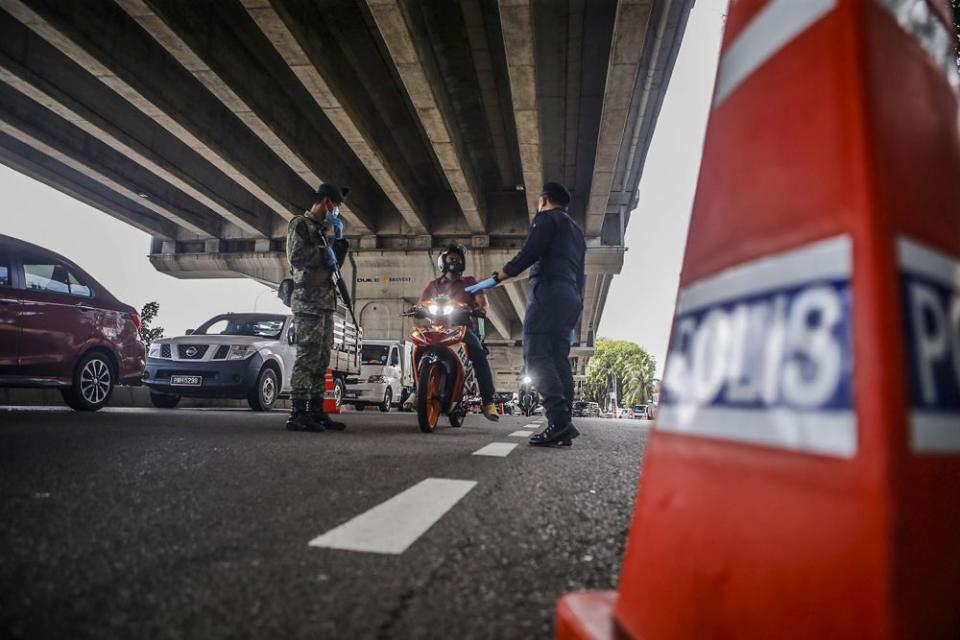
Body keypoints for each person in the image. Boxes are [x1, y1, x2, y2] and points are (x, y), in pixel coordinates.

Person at [467, 182, 585, 446]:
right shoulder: (576, 232)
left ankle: (559, 421)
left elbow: (529, 254)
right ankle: (564, 424)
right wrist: (577, 308)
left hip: (548, 292)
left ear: (544, 199)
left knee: (535, 355)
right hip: (571, 297)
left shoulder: (545, 219)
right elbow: (581, 276)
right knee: (558, 357)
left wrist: (494, 279)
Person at [285, 183, 350, 432]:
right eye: (336, 206)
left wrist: (339, 242)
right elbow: (296, 256)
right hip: (308, 301)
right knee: (307, 357)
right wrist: (325, 252)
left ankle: (317, 411)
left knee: (322, 358)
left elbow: (333, 265)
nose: (337, 212)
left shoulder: (323, 231)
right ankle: (298, 413)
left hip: (324, 302)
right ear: (326, 202)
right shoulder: (300, 223)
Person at [418, 245, 500, 421]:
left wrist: (480, 308)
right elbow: (421, 304)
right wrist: (416, 309)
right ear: (442, 262)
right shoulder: (434, 285)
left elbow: (482, 302)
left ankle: (488, 402)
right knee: (418, 347)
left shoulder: (470, 282)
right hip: (436, 329)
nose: (454, 261)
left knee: (478, 353)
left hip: (462, 329)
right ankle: (415, 391)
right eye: (451, 259)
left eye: (457, 259)